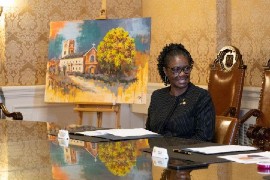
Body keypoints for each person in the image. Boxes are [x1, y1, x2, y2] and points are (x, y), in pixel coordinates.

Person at [146, 43, 215, 142]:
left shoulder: (201, 97)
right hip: (156, 154)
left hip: (186, 155)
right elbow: (149, 132)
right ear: (165, 71)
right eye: (176, 69)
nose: (182, 74)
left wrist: (172, 149)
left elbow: (204, 137)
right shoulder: (157, 96)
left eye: (186, 68)